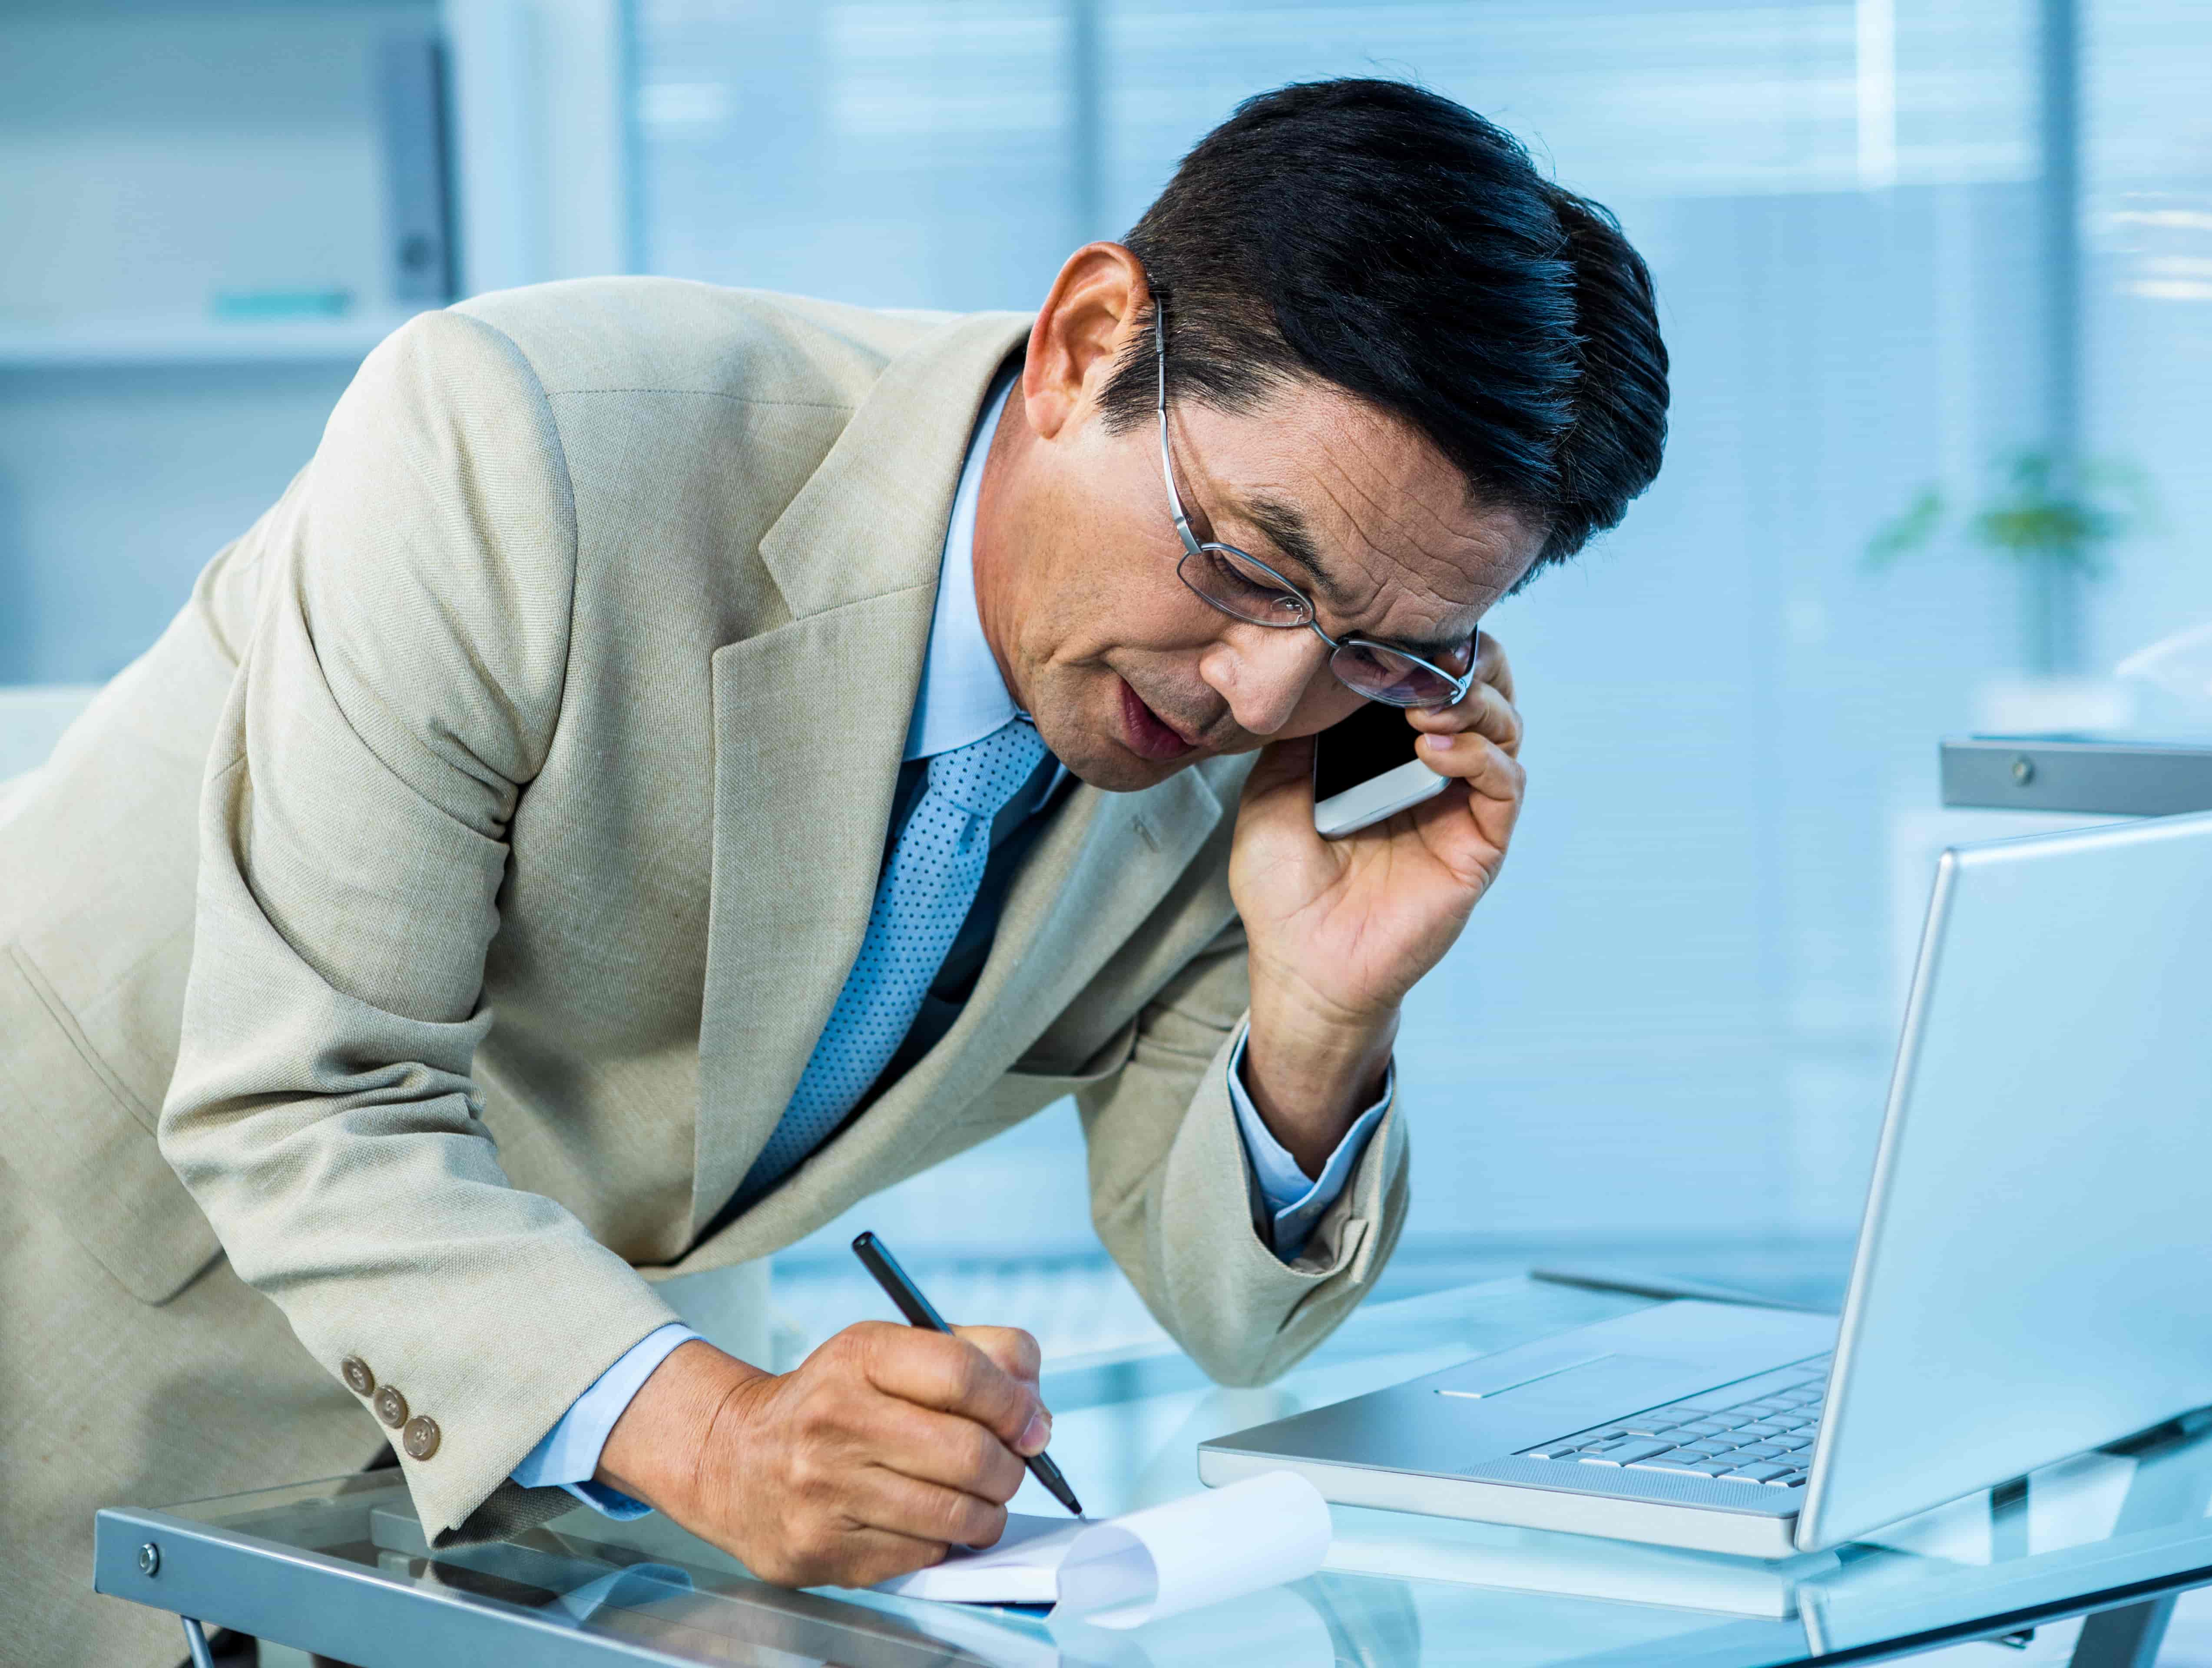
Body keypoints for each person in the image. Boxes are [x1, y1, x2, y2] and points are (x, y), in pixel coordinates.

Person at [0, 77, 1668, 1661]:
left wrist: (1319, 1017)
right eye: (1244, 564)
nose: (1263, 697)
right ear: (1089, 348)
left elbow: (1237, 1325)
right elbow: (302, 1104)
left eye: (1387, 652)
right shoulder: (526, 445)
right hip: (100, 1317)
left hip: (563, 1468)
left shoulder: (1264, 747)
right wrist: (720, 1431)